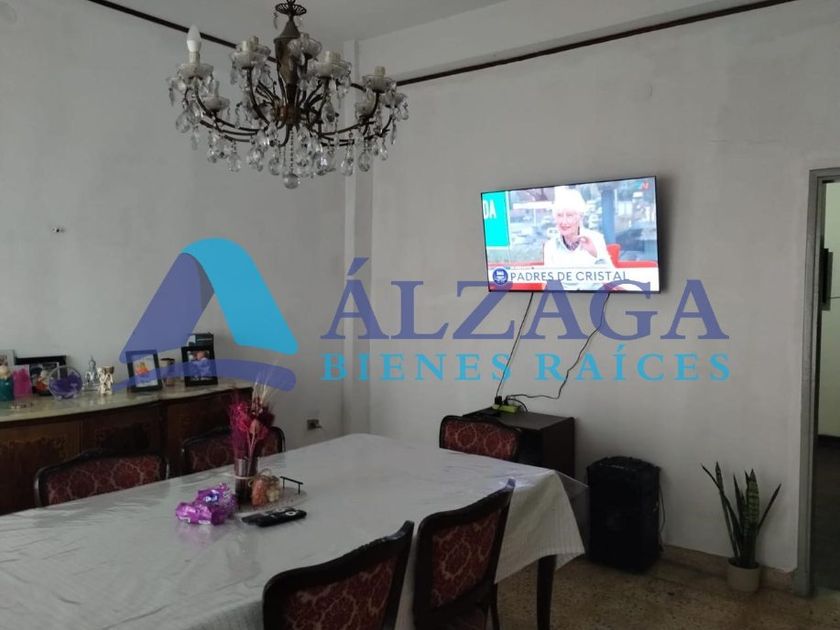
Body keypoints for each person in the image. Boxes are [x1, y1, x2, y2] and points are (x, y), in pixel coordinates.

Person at [543, 187, 613, 267]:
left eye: (569, 215)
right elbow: (548, 275)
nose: (564, 221)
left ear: (580, 217)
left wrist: (595, 254)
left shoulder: (596, 239)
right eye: (559, 215)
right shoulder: (550, 246)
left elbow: (612, 273)